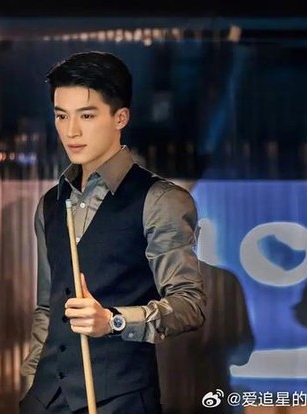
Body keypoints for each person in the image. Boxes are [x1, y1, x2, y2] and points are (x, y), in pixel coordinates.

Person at [19, 51, 207, 414]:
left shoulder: (161, 200)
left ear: (120, 117)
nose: (71, 131)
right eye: (61, 115)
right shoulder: (51, 203)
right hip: (45, 402)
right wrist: (30, 385)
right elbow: (47, 307)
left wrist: (114, 321)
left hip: (118, 401)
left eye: (87, 115)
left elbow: (189, 304)